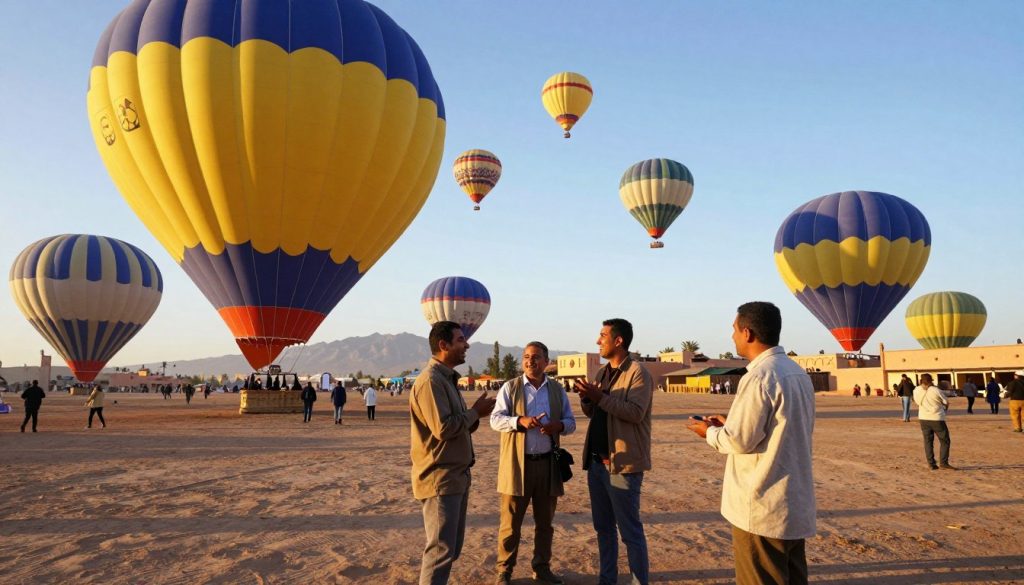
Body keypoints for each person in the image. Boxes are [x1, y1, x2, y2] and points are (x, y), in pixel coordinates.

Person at [686, 302, 816, 585]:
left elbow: (739, 440)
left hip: (762, 508)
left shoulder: (759, 376)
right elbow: (775, 428)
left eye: (734, 330)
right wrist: (728, 422)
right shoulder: (797, 373)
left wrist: (707, 432)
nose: (731, 336)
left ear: (747, 333)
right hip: (793, 505)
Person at [410, 321, 495, 585]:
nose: (467, 344)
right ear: (443, 345)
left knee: (451, 548)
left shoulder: (447, 379)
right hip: (440, 478)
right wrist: (476, 412)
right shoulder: (431, 381)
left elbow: (457, 423)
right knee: (440, 552)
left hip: (456, 476)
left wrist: (473, 415)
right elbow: (444, 429)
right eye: (460, 340)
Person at [573, 318, 654, 585]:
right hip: (597, 465)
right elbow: (596, 414)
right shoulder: (602, 373)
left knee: (629, 531)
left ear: (618, 341)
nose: (598, 341)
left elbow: (634, 413)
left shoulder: (638, 373)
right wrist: (587, 399)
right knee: (603, 529)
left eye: (603, 336)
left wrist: (600, 398)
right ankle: (607, 580)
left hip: (621, 466)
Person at [490, 341, 577, 585]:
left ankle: (541, 567)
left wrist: (557, 426)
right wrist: (520, 421)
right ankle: (504, 571)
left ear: (547, 361)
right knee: (510, 524)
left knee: (545, 524)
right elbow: (495, 420)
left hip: (548, 465)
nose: (530, 361)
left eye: (536, 357)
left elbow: (571, 422)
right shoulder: (510, 387)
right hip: (517, 466)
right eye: (526, 356)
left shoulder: (557, 391)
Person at [913, 373, 955, 470]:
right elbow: (946, 401)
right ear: (931, 381)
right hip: (936, 418)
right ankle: (943, 462)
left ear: (920, 381)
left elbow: (916, 402)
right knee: (945, 440)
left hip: (923, 418)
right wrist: (944, 409)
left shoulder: (916, 390)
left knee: (928, 441)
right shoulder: (935, 390)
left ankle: (931, 464)